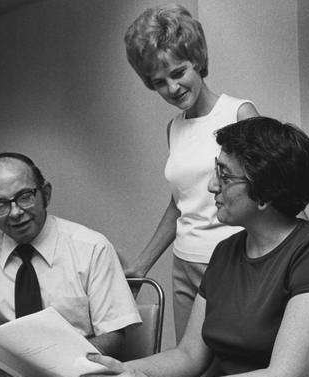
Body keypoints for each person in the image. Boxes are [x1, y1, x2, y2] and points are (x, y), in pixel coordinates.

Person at [79, 117, 309, 377]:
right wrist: (103, 374)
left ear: (264, 195)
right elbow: (189, 356)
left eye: (224, 176)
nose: (211, 185)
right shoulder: (226, 252)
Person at [0, 152, 141, 377]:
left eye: (24, 197)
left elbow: (114, 335)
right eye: (0, 205)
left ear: (46, 194)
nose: (15, 212)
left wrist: (57, 367)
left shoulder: (93, 247)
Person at [123, 3, 259, 342]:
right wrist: (141, 265)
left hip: (234, 262)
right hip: (184, 264)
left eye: (178, 72)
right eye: (158, 82)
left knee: (234, 366)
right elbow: (180, 203)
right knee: (192, 366)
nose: (172, 88)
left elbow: (278, 189)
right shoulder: (174, 128)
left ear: (197, 61)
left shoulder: (240, 113)